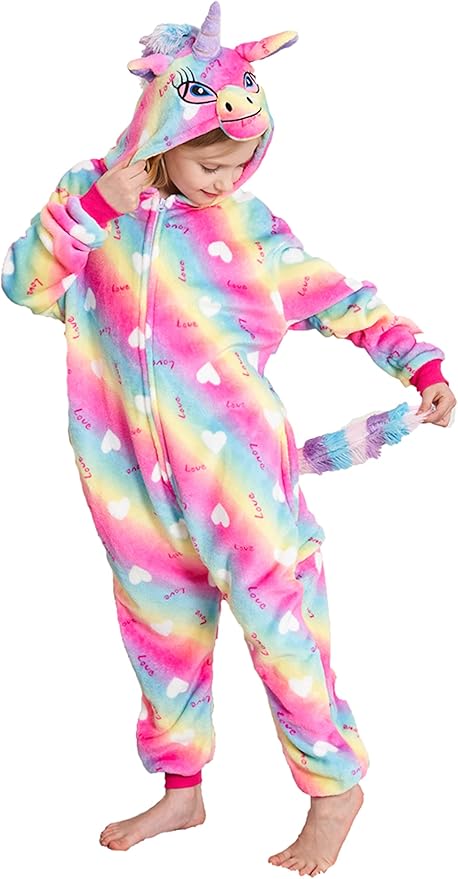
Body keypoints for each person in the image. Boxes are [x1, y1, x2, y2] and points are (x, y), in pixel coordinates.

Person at [2, 2, 455, 875]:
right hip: (126, 480)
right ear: (159, 136)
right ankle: (183, 789)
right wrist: (95, 205)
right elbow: (24, 285)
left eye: (243, 160)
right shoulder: (89, 199)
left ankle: (333, 788)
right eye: (211, 161)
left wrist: (420, 364)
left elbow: (342, 298)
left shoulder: (248, 229)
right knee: (159, 632)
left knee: (283, 627)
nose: (228, 178)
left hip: (241, 479)